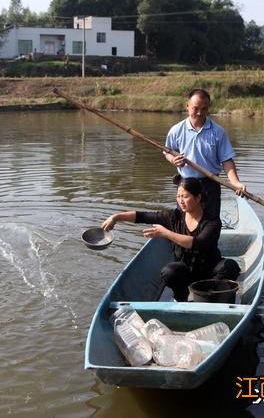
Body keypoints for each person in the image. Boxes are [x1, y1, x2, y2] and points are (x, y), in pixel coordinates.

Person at [101, 176, 240, 302]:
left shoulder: (212, 221)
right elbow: (142, 216)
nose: (181, 201)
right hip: (187, 271)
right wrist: (116, 217)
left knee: (230, 266)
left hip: (210, 271)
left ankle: (209, 293)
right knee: (170, 271)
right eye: (178, 196)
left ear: (198, 198)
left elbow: (198, 244)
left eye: (185, 196)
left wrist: (166, 233)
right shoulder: (174, 217)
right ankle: (181, 299)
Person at [164, 88, 246, 220]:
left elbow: (227, 161)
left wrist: (235, 182)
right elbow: (167, 152)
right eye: (195, 108)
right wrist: (173, 159)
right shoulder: (176, 130)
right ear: (187, 106)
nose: (199, 113)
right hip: (186, 185)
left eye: (204, 109)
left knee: (210, 223)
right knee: (183, 223)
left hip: (210, 183)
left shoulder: (218, 132)